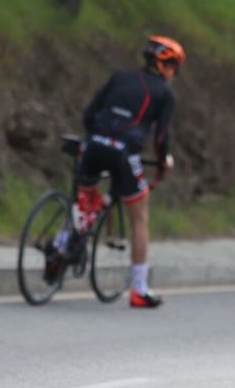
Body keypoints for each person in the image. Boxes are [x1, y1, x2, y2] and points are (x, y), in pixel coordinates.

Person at [73, 35, 184, 307]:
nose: (175, 74)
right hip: (124, 153)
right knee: (139, 216)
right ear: (165, 65)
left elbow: (90, 113)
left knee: (84, 200)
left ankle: (64, 245)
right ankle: (140, 289)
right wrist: (162, 162)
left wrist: (93, 139)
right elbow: (160, 138)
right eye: (175, 67)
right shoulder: (165, 93)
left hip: (94, 145)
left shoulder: (120, 77)